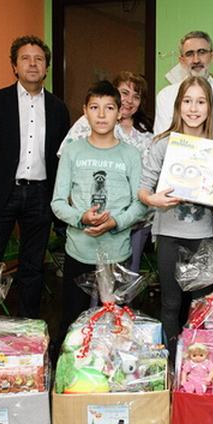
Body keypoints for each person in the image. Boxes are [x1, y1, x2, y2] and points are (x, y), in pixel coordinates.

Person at [0, 35, 70, 318]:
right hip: (0, 193)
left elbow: (62, 154)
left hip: (40, 195)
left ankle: (27, 326)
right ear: (14, 66)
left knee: (33, 267)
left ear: (47, 67)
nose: (32, 64)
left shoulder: (59, 108)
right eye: (25, 58)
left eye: (38, 59)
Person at [51, 80, 146, 341]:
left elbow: (140, 203)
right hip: (78, 252)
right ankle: (68, 374)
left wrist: (115, 221)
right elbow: (57, 202)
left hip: (117, 253)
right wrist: (81, 218)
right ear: (85, 111)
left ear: (120, 112)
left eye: (109, 108)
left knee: (116, 323)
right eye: (95, 107)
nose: (102, 115)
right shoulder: (72, 151)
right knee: (72, 322)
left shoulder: (131, 154)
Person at [139, 76, 213, 354]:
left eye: (200, 101)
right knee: (171, 304)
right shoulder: (163, 143)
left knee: (201, 305)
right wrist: (153, 199)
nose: (193, 108)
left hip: (204, 236)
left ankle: (197, 364)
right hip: (169, 234)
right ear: (178, 106)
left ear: (210, 107)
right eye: (187, 101)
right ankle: (173, 363)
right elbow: (143, 189)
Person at [59, 71, 155, 272]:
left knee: (123, 283)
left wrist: (118, 220)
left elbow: (145, 188)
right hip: (82, 235)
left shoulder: (145, 132)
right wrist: (80, 214)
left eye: (136, 96)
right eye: (124, 93)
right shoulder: (80, 137)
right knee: (83, 294)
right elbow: (65, 181)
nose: (129, 100)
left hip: (129, 225)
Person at [154, 31, 213, 135]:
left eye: (202, 52)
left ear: (212, 56)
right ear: (182, 60)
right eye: (189, 54)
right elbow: (162, 141)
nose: (196, 60)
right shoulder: (166, 96)